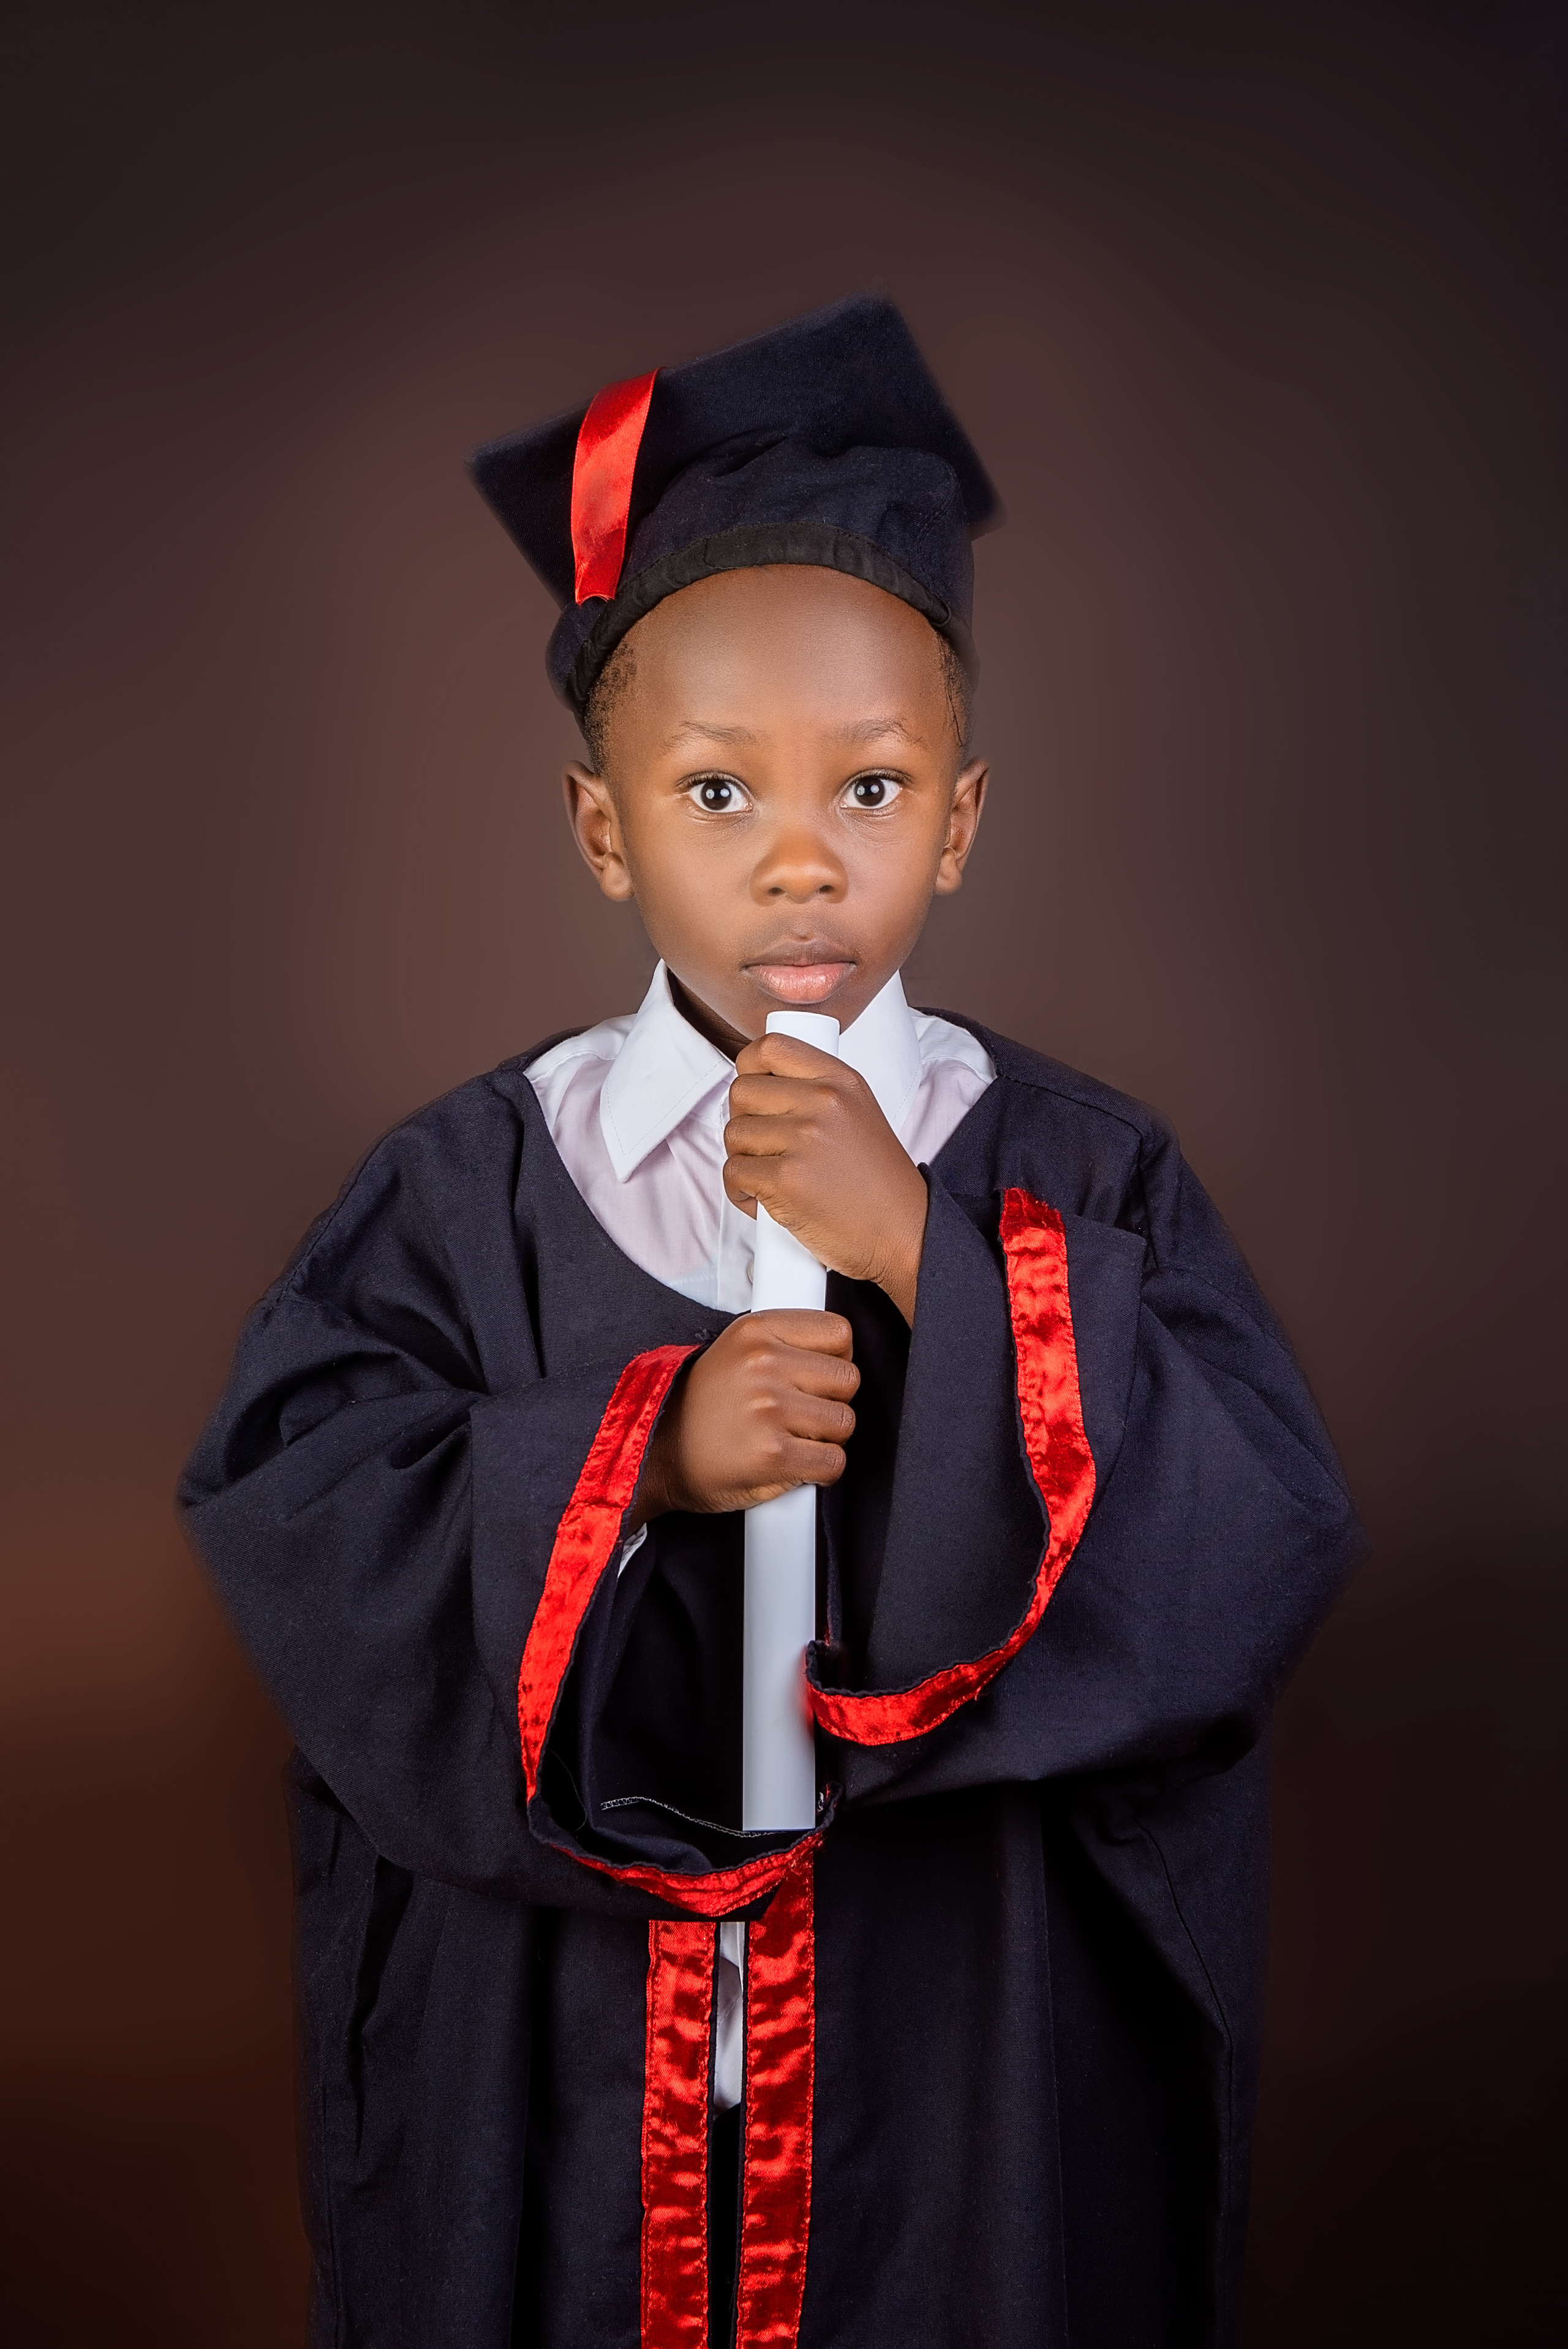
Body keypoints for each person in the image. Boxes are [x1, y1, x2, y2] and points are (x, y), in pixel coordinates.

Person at [181, 296, 1362, 2349]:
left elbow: (1253, 1537)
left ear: (965, 821)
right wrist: (642, 1447)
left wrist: (930, 1256)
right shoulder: (468, 1185)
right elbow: (302, 1507)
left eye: (875, 788)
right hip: (560, 2070)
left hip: (949, 2061)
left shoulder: (1077, 1171)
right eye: (721, 795)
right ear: (603, 826)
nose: (804, 853)